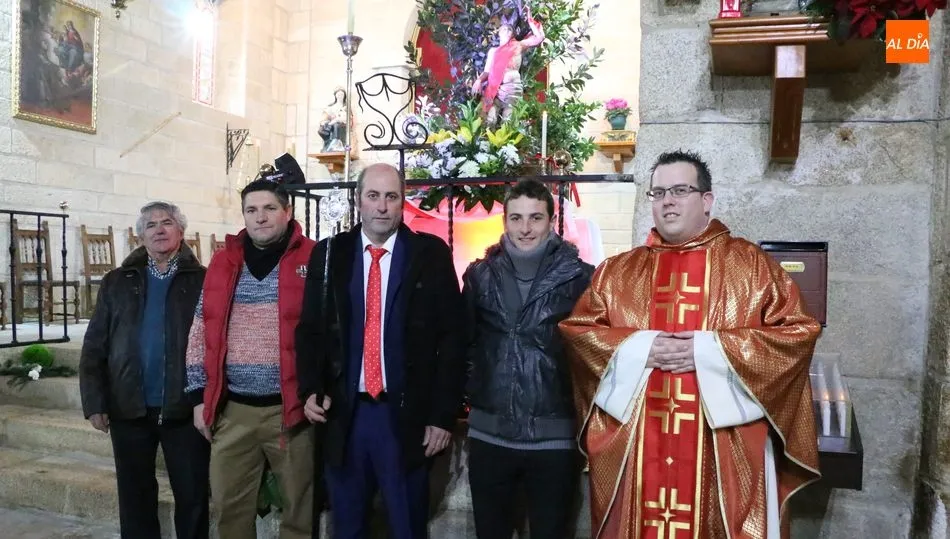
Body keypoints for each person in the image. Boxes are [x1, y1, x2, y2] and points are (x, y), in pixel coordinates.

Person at [558, 150, 822, 539]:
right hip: (639, 452)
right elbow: (579, 332)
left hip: (723, 451)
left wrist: (709, 351)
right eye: (659, 192)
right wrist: (639, 348)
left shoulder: (751, 265)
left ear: (707, 200)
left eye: (680, 190)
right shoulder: (618, 272)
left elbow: (797, 333)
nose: (668, 200)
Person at [295, 162, 465, 539]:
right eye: (373, 196)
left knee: (407, 525)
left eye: (391, 197)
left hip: (405, 415)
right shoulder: (329, 254)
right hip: (346, 416)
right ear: (358, 201)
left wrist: (441, 415)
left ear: (403, 202)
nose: (382, 206)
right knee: (348, 527)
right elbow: (310, 332)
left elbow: (452, 338)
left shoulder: (429, 254)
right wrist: (309, 389)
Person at [461, 178, 593, 539]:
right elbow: (465, 343)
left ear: (551, 221)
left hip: (554, 438)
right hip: (490, 435)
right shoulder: (479, 275)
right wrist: (475, 394)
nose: (525, 228)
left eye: (535, 218)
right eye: (516, 218)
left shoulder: (580, 279)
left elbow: (590, 352)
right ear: (504, 221)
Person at [185, 179, 316, 539]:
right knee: (230, 511)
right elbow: (201, 328)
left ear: (287, 212)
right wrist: (199, 396)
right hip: (233, 413)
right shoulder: (224, 261)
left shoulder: (313, 257)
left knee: (298, 510)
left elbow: (330, 331)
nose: (260, 217)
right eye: (251, 210)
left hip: (291, 412)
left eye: (270, 208)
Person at [79, 201, 209, 539]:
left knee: (193, 495)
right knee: (134, 497)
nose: (159, 229)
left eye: (167, 222)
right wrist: (94, 401)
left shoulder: (204, 280)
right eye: (151, 225)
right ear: (141, 235)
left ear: (181, 231)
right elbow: (95, 344)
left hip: (185, 407)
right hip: (128, 406)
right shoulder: (116, 281)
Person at [470, 4, 545, 125]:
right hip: (495, 90)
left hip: (512, 89)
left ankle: (507, 143)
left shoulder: (518, 45)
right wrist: (479, 80)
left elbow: (539, 37)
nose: (506, 30)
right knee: (490, 120)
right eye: (504, 29)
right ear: (499, 33)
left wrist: (530, 19)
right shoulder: (493, 51)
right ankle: (488, 143)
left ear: (513, 33)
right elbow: (487, 72)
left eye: (509, 29)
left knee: (508, 120)